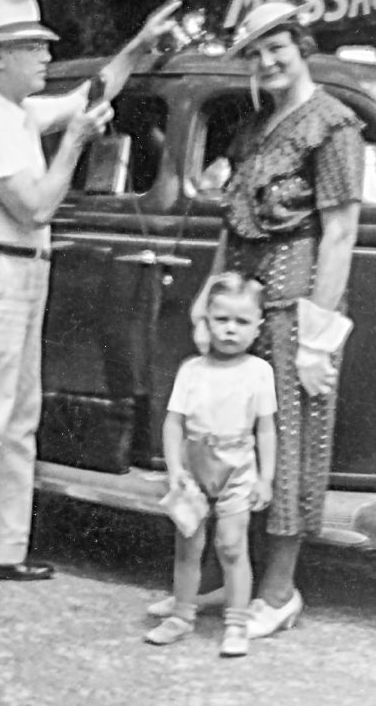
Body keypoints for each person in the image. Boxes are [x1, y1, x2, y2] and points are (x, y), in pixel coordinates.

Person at [0, 0, 181, 601]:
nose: (44, 55)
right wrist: (77, 143)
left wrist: (136, 46)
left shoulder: (14, 113)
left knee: (14, 419)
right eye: (32, 46)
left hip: (20, 275)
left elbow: (89, 95)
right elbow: (35, 206)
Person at [192, 0, 364, 638]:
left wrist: (318, 339)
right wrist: (207, 293)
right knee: (231, 431)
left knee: (289, 442)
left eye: (277, 48)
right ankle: (229, 577)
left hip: (297, 303)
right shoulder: (257, 130)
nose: (267, 62)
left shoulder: (335, 124)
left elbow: (341, 232)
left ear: (301, 45)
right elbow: (232, 223)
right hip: (244, 301)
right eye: (255, 53)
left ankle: (280, 592)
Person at [145, 272, 276, 656]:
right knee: (188, 544)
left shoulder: (258, 372)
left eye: (242, 322)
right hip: (195, 465)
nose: (231, 330)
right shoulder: (192, 370)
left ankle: (236, 623)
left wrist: (265, 478)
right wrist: (176, 470)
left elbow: (266, 430)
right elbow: (174, 423)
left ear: (257, 327)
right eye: (222, 320)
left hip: (237, 468)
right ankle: (181, 616)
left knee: (232, 545)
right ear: (207, 321)